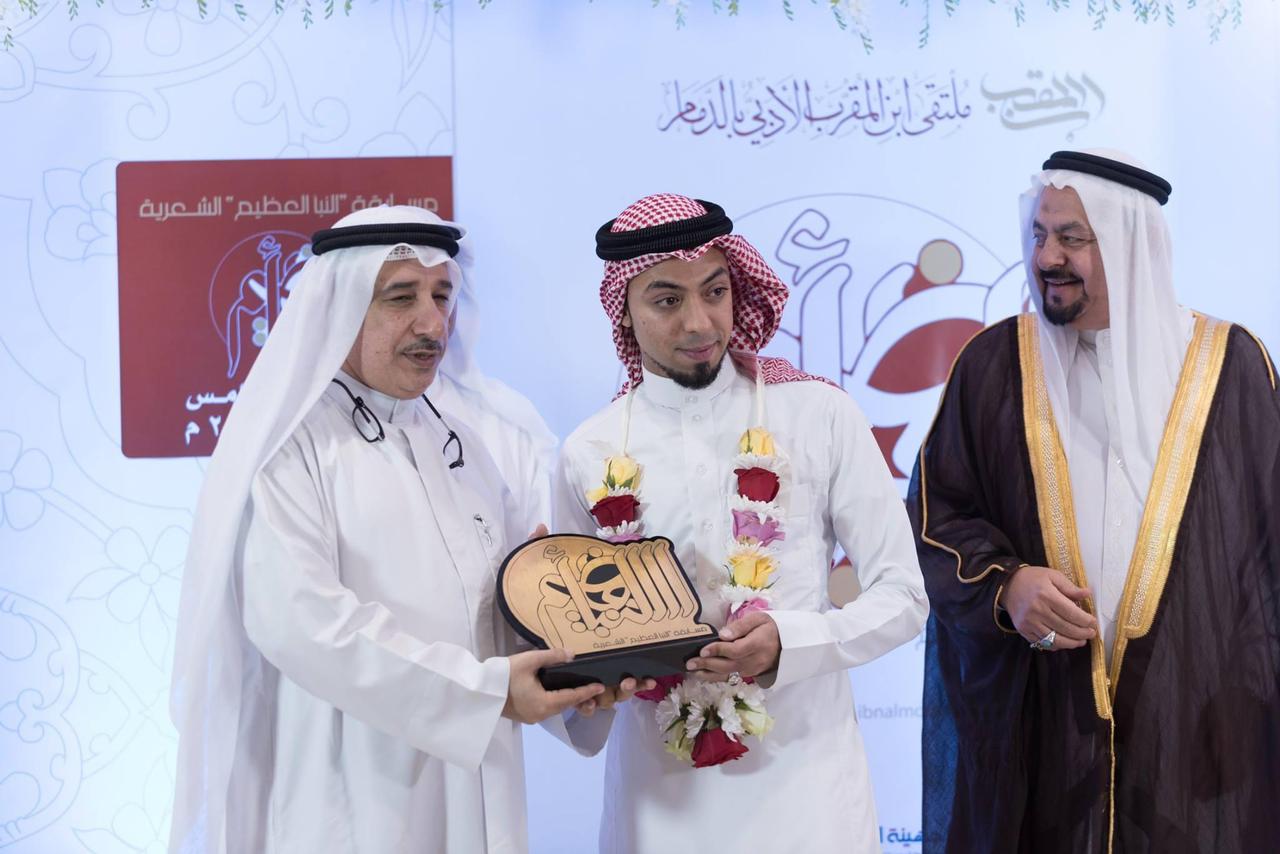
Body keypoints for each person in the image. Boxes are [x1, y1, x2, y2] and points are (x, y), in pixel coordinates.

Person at [168, 205, 611, 854]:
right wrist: (485, 693)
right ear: (341, 309)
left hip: (477, 774)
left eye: (442, 296)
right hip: (353, 790)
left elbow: (501, 610)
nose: (432, 324)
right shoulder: (291, 451)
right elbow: (302, 623)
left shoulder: (465, 441)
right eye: (401, 297)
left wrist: (578, 669)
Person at [911, 149, 1280, 853]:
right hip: (1037, 729)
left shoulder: (1231, 368)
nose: (1047, 257)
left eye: (1072, 238)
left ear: (1130, 244)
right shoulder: (992, 366)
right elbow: (936, 517)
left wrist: (1248, 694)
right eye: (1039, 235)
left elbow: (1270, 554)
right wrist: (1006, 585)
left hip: (1197, 742)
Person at [553, 193, 929, 853]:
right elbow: (575, 662)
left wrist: (791, 643)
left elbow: (904, 596)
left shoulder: (818, 415)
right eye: (667, 300)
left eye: (715, 291)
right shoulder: (590, 450)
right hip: (660, 806)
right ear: (624, 312)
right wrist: (579, 678)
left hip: (807, 796)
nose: (699, 322)